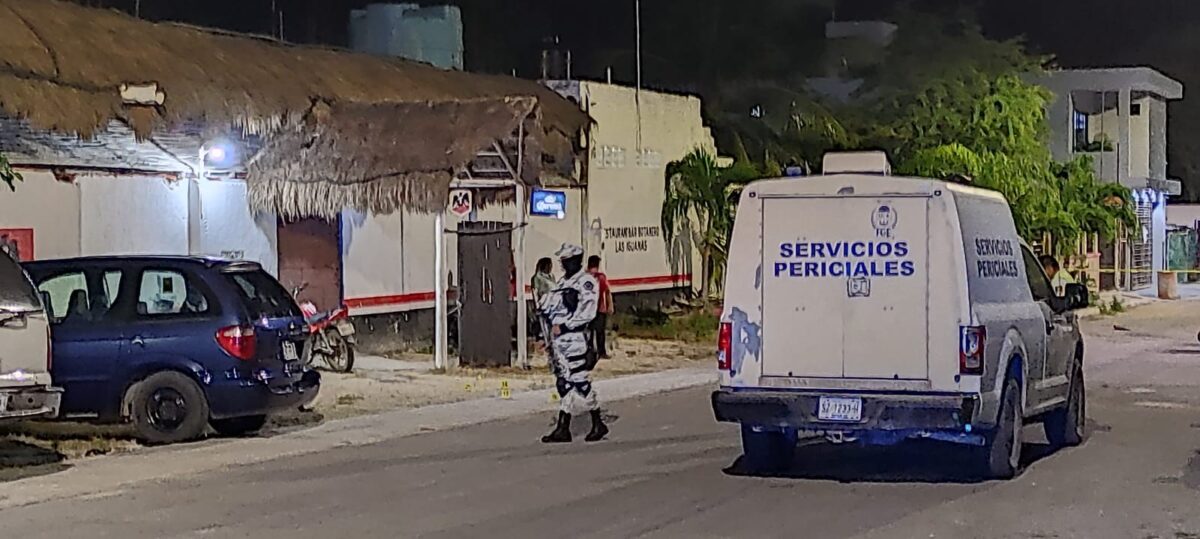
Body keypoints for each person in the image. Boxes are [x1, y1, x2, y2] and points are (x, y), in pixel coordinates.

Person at [539, 243, 608, 443]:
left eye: (566, 261)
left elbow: (587, 311)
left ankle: (597, 420)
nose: (563, 264)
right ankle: (563, 426)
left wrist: (567, 326)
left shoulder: (585, 282)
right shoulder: (562, 282)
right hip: (558, 340)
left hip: (574, 338)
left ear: (575, 260)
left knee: (579, 380)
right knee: (564, 383)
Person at [587, 255, 615, 359]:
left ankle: (589, 351)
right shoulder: (601, 277)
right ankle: (601, 351)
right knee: (600, 331)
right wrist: (610, 305)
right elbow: (607, 292)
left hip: (587, 309)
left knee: (588, 331)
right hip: (600, 308)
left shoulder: (583, 276)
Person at [531, 257, 556, 363]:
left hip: (554, 307)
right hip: (544, 306)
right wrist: (537, 306)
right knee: (546, 331)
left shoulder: (552, 276)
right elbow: (535, 292)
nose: (550, 267)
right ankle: (550, 353)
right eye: (548, 265)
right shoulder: (537, 277)